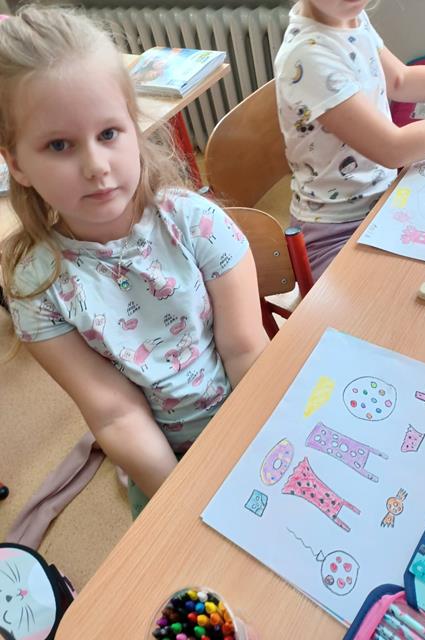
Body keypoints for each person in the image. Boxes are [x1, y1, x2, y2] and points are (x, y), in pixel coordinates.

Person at [0, 5, 269, 518]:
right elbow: (116, 414)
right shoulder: (37, 287)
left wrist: (255, 450)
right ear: (17, 164)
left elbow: (244, 349)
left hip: (249, 417)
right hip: (162, 469)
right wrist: (186, 503)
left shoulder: (194, 223)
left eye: (109, 134)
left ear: (133, 126)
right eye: (59, 145)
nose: (95, 166)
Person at [275, 0, 425, 280]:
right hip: (335, 231)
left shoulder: (350, 17)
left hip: (382, 202)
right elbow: (394, 149)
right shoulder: (308, 56)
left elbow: (400, 80)